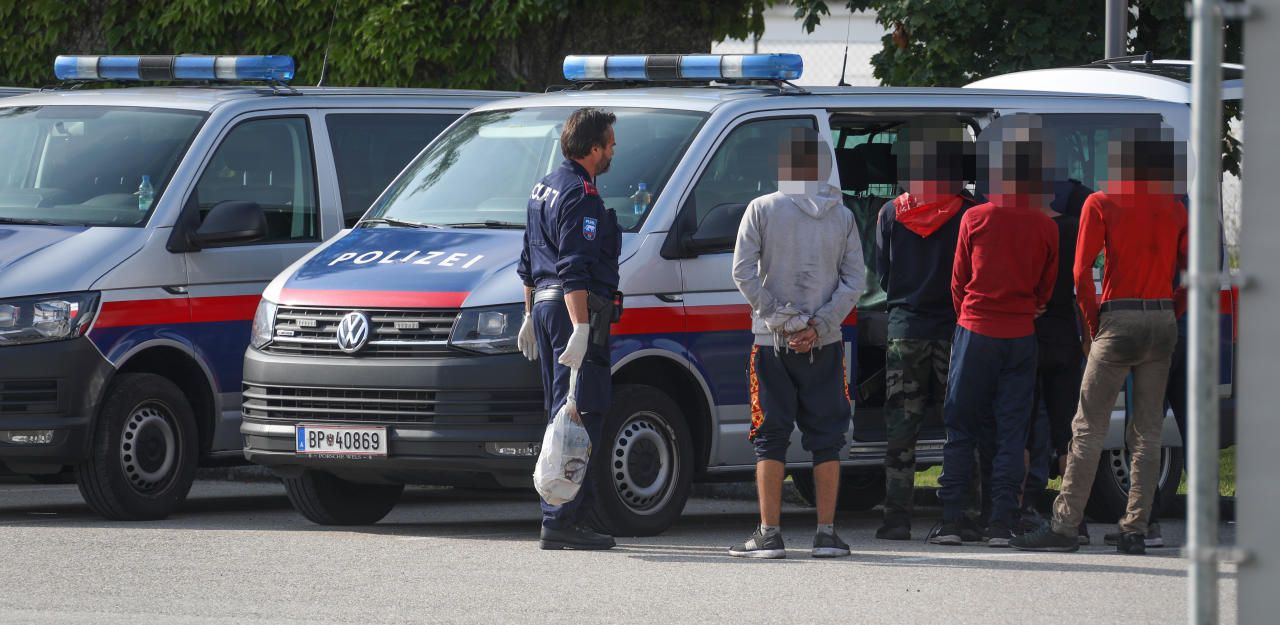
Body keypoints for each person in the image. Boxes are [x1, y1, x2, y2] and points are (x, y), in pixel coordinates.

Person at [1013, 125, 1188, 555]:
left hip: (1118, 317)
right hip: (1161, 319)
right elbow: (1189, 274)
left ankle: (1065, 525)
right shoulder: (1175, 208)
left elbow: (1080, 274)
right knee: (1147, 430)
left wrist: (1093, 326)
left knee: (1088, 425)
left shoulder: (1102, 202)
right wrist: (1171, 312)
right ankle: (1136, 529)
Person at [729, 127, 864, 559]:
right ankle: (826, 534)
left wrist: (780, 319)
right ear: (822, 167)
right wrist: (819, 325)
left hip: (771, 343)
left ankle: (769, 533)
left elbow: (742, 272)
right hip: (826, 345)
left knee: (770, 435)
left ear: (785, 167)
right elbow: (855, 280)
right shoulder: (843, 216)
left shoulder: (762, 208)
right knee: (827, 437)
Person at [932, 115, 1058, 548]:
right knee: (1011, 431)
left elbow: (958, 281)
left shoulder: (975, 218)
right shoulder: (1046, 225)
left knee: (960, 425)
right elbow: (1046, 287)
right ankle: (1001, 522)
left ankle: (952, 519)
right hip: (1021, 335)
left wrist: (968, 316)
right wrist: (1026, 308)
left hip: (975, 330)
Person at [516, 108, 621, 551]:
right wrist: (580, 326)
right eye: (610, 143)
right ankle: (560, 518)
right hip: (570, 310)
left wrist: (529, 315)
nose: (614, 149)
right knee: (581, 410)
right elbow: (574, 268)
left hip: (545, 306)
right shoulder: (581, 195)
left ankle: (578, 513)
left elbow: (527, 263)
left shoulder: (543, 187)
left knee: (562, 409)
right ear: (593, 148)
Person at [874, 120, 981, 541]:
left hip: (905, 329)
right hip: (955, 331)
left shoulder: (890, 213)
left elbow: (883, 274)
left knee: (901, 428)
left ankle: (896, 519)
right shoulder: (969, 211)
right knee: (959, 422)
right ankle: (963, 512)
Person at [1019, 179, 1090, 543]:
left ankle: (1021, 510)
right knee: (1067, 431)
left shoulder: (1025, 228)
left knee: (1023, 428)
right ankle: (1073, 518)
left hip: (1027, 333)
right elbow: (1082, 285)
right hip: (1064, 335)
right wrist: (1087, 335)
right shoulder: (1075, 229)